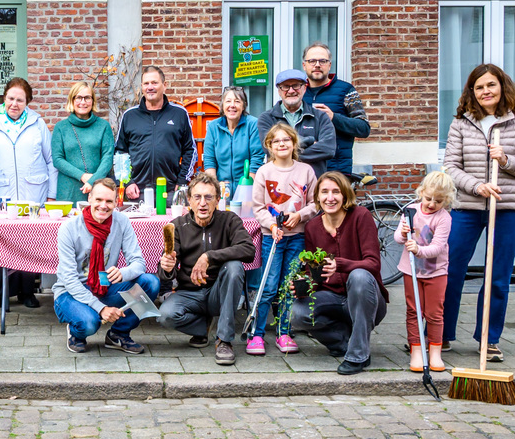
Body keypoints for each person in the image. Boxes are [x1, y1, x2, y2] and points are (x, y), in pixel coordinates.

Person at [442, 63, 515, 363]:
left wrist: (507, 160)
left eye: (491, 85)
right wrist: (477, 187)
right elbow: (451, 167)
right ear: (471, 92)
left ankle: (489, 338)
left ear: (502, 87)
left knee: (497, 276)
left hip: (508, 209)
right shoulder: (461, 124)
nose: (486, 91)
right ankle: (442, 334)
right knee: (450, 271)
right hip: (467, 208)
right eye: (479, 87)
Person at [0, 77, 56, 310]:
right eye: (10, 99)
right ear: (4, 98)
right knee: (2, 243)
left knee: (30, 244)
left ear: (28, 102)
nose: (14, 104)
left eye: (20, 100)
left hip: (33, 192)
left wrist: (52, 195)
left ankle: (27, 291)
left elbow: (52, 159)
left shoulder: (37, 124)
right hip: (1, 193)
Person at [292, 171, 389, 375]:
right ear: (317, 197)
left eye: (336, 192)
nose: (330, 197)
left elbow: (373, 264)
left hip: (367, 298)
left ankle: (358, 356)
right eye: (324, 192)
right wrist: (303, 284)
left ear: (345, 195)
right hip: (332, 298)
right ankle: (347, 343)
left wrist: (341, 264)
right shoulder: (312, 228)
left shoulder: (361, 216)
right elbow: (314, 274)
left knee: (359, 276)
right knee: (297, 312)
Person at [156, 172, 256, 366]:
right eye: (197, 197)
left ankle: (224, 340)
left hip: (219, 293)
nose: (203, 203)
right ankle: (202, 328)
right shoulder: (178, 225)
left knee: (235, 267)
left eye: (208, 197)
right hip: (190, 293)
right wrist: (166, 267)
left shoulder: (229, 220)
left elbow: (248, 250)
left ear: (217, 200)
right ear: (189, 201)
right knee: (165, 315)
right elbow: (166, 273)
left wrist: (209, 256)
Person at [52, 178, 160, 354]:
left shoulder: (121, 222)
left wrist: (123, 273)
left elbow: (139, 262)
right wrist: (101, 308)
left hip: (103, 283)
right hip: (71, 290)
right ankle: (76, 333)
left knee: (150, 282)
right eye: (99, 200)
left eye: (109, 201)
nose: (103, 206)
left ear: (116, 203)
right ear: (89, 200)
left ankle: (118, 334)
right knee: (89, 323)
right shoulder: (69, 228)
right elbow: (69, 279)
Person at [247, 123, 316, 356]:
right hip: (272, 238)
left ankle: (284, 332)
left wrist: (300, 215)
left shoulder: (306, 171)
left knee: (288, 285)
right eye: (276, 141)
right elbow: (258, 207)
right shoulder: (264, 172)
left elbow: (314, 203)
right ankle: (257, 334)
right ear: (270, 146)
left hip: (296, 237)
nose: (282, 144)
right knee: (268, 285)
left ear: (294, 143)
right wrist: (272, 224)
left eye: (286, 139)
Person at [394, 171, 455, 372]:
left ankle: (435, 352)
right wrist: (403, 233)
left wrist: (419, 250)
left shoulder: (444, 218)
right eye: (428, 198)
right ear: (421, 192)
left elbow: (438, 247)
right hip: (410, 271)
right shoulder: (410, 211)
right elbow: (398, 239)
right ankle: (416, 351)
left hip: (436, 272)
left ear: (446, 200)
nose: (431, 204)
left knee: (434, 313)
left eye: (438, 201)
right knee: (414, 311)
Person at [114, 66, 197, 200]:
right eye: (146, 83)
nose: (150, 87)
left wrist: (182, 181)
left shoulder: (179, 114)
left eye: (154, 83)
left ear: (164, 85)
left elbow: (190, 150)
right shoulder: (130, 116)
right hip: (136, 191)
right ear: (141, 86)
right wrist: (127, 183)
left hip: (170, 191)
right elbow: (120, 152)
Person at [300, 42, 371, 175]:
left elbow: (363, 128)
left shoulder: (345, 90)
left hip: (336, 170)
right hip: (303, 169)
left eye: (322, 61)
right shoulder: (297, 92)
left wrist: (334, 117)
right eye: (312, 61)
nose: (317, 65)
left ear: (329, 65)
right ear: (304, 65)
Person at [257, 69, 336, 178]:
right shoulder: (267, 118)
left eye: (296, 86)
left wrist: (285, 153)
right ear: (279, 91)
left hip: (313, 185)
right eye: (285, 86)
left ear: (304, 88)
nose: (291, 91)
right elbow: (269, 149)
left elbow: (328, 149)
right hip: (279, 185)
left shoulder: (320, 117)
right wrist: (310, 140)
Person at [51, 82, 115, 205]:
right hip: (68, 190)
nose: (83, 102)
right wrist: (82, 176)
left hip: (98, 189)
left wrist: (93, 181)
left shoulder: (103, 126)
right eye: (79, 97)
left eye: (87, 98)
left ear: (93, 100)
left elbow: (107, 158)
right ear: (72, 100)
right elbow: (57, 159)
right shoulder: (61, 127)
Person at [203, 86, 265, 199]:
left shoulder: (253, 125)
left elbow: (256, 159)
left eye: (237, 101)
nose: (232, 105)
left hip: (246, 188)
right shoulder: (213, 127)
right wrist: (214, 189)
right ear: (222, 105)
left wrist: (247, 190)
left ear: (243, 106)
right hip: (221, 189)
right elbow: (209, 160)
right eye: (228, 101)